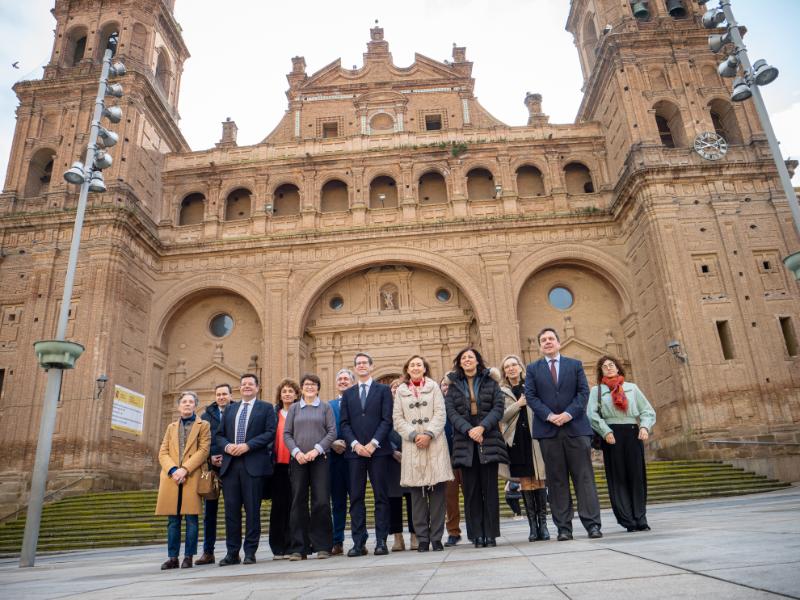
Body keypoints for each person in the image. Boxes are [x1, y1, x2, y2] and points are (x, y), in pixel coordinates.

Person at [524, 327, 602, 541]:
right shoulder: (533, 369)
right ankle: (564, 528)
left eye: (551, 339)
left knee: (584, 478)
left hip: (576, 429)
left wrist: (568, 414)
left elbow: (583, 392)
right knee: (557, 481)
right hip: (548, 432)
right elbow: (530, 396)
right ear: (540, 346)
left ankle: (592, 524)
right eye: (543, 340)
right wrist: (549, 415)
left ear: (558, 343)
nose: (547, 342)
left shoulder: (574, 365)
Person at [444, 348, 508, 548]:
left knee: (490, 490)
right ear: (459, 363)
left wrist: (482, 427)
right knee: (471, 492)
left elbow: (498, 407)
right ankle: (476, 535)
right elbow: (451, 412)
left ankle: (490, 534)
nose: (467, 360)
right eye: (463, 358)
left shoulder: (491, 382)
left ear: (478, 361)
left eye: (470, 357)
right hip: (465, 442)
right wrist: (469, 430)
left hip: (488, 438)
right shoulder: (454, 386)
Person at [588, 355, 656, 532]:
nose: (609, 368)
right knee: (618, 477)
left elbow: (647, 411)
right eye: (605, 366)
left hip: (633, 432)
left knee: (637, 476)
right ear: (601, 371)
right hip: (612, 435)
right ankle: (627, 520)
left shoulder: (632, 388)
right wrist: (605, 431)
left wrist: (645, 427)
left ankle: (640, 517)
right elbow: (592, 415)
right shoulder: (597, 391)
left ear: (618, 368)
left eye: (612, 365)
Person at [393, 355, 453, 551]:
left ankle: (436, 538)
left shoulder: (434, 387)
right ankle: (422, 539)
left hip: (434, 444)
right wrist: (413, 435)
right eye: (412, 365)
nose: (416, 367)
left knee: (437, 494)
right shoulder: (401, 391)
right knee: (417, 496)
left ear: (425, 368)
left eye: (419, 364)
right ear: (407, 370)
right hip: (412, 446)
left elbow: (440, 413)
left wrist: (428, 433)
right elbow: (397, 419)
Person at [215, 373, 276, 565]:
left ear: (257, 388)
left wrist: (248, 445)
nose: (246, 387)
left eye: (250, 384)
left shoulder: (265, 408)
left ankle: (250, 551)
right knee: (231, 512)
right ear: (239, 388)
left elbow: (270, 433)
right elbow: (219, 435)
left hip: (253, 464)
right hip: (231, 466)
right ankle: (232, 553)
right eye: (243, 384)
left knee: (252, 511)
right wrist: (227, 446)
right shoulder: (230, 409)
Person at [339, 352, 394, 557]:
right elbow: (344, 423)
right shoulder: (348, 394)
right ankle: (358, 542)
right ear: (355, 369)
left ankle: (381, 541)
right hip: (355, 454)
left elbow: (387, 420)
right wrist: (354, 444)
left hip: (378, 452)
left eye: (364, 363)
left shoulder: (384, 390)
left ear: (371, 367)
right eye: (358, 364)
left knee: (381, 496)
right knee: (356, 498)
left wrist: (373, 443)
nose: (361, 366)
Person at [155, 391, 210, 570]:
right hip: (172, 478)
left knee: (192, 520)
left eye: (190, 402)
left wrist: (185, 469)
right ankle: (173, 557)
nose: (187, 404)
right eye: (184, 402)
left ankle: (188, 556)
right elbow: (163, 452)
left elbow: (204, 450)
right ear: (179, 406)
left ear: (195, 405)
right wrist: (173, 470)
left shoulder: (203, 425)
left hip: (191, 475)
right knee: (173, 521)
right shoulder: (171, 427)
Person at [284, 373, 336, 560]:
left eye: (313, 385)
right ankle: (299, 547)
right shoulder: (295, 409)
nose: (310, 387)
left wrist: (316, 450)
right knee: (298, 501)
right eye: (306, 384)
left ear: (318, 388)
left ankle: (323, 545)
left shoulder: (325, 407)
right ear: (302, 388)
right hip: (298, 460)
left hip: (320, 459)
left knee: (321, 500)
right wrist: (297, 452)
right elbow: (287, 434)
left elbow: (332, 432)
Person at [500, 354, 550, 542]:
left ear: (521, 367)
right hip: (516, 440)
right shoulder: (502, 391)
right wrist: (518, 404)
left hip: (535, 436)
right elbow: (501, 416)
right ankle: (532, 528)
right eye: (507, 367)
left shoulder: (532, 385)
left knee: (539, 480)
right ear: (504, 372)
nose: (511, 369)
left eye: (514, 365)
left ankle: (543, 525)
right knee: (525, 482)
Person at [196, 383, 232, 565]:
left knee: (232, 511)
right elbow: (203, 441)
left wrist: (226, 456)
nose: (221, 397)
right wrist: (211, 457)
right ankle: (207, 552)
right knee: (209, 513)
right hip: (213, 471)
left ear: (231, 395)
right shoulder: (205, 417)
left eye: (224, 394)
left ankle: (232, 551)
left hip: (233, 467)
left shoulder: (237, 413)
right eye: (218, 394)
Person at [269, 378, 300, 559]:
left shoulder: (300, 413)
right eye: (284, 391)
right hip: (278, 465)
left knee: (295, 505)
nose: (287, 394)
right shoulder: (273, 413)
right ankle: (278, 546)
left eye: (290, 391)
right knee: (278, 506)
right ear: (280, 396)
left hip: (297, 463)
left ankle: (294, 544)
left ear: (297, 395)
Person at [327, 368, 354, 556]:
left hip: (355, 458)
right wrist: (331, 443)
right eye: (340, 379)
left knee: (357, 501)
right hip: (335, 460)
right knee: (337, 503)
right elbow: (323, 430)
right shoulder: (328, 406)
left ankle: (359, 538)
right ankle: (337, 541)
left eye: (346, 379)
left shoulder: (360, 404)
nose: (343, 381)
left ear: (352, 383)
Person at [388, 377, 416, 552]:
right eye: (393, 387)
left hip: (412, 456)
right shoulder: (383, 408)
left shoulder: (413, 406)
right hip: (391, 460)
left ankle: (415, 535)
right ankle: (397, 537)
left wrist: (410, 450)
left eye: (400, 386)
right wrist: (392, 450)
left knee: (413, 499)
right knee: (393, 500)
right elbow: (380, 429)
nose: (396, 389)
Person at [441, 377, 465, 547]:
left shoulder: (463, 403)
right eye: (443, 384)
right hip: (446, 457)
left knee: (471, 494)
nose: (446, 387)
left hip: (465, 454)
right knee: (450, 498)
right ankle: (453, 531)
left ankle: (476, 528)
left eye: (450, 385)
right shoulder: (437, 406)